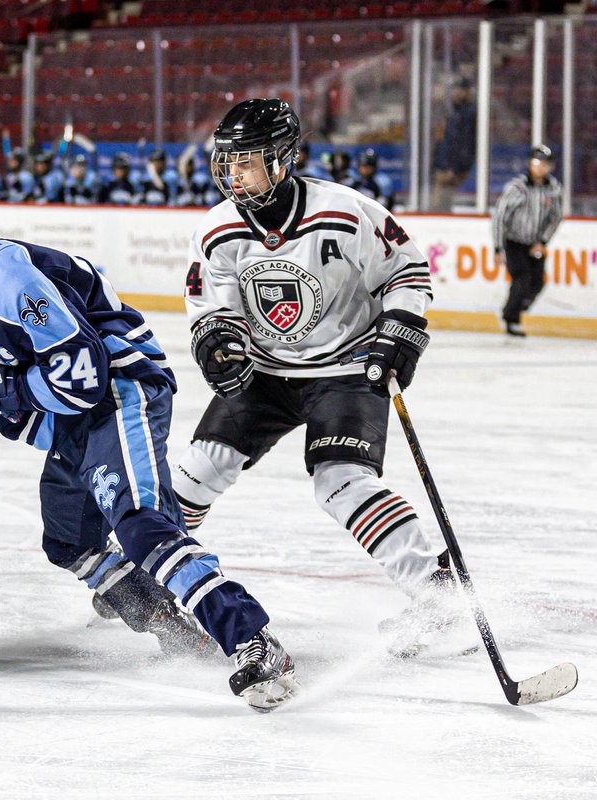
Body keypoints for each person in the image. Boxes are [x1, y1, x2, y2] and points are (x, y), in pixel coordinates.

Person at [0, 200, 302, 712]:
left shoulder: (9, 283)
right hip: (69, 421)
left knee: (142, 525)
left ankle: (253, 639)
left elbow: (85, 375)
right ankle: (168, 619)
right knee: (70, 542)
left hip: (118, 393)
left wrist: (0, 391)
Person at [173, 98, 454, 653]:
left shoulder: (344, 211)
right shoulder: (219, 229)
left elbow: (408, 270)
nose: (233, 174)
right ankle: (148, 573)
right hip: (266, 370)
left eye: (246, 162)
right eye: (227, 163)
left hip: (346, 367)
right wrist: (218, 341)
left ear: (282, 160)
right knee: (199, 468)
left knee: (340, 482)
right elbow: (211, 306)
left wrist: (399, 327)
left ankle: (439, 595)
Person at [492, 144, 563, 337]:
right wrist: (498, 247)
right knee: (522, 279)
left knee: (538, 281)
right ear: (530, 163)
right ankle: (511, 318)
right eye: (537, 162)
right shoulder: (517, 187)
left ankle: (517, 306)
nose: (541, 167)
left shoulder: (553, 189)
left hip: (535, 243)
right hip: (514, 242)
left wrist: (543, 241)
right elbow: (500, 215)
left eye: (545, 163)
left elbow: (555, 217)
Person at [430, 77, 477, 212]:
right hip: (443, 162)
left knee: (441, 200)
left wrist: (453, 168)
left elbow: (463, 142)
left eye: (460, 89)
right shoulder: (452, 109)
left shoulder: (468, 113)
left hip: (451, 166)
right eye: (455, 89)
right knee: (440, 201)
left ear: (467, 92)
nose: (456, 92)